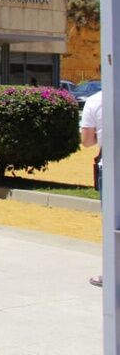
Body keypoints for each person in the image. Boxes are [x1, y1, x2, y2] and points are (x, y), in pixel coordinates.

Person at [81, 90, 104, 287]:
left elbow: (87, 141)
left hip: (111, 168)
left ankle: (113, 271)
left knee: (113, 223)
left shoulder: (95, 101)